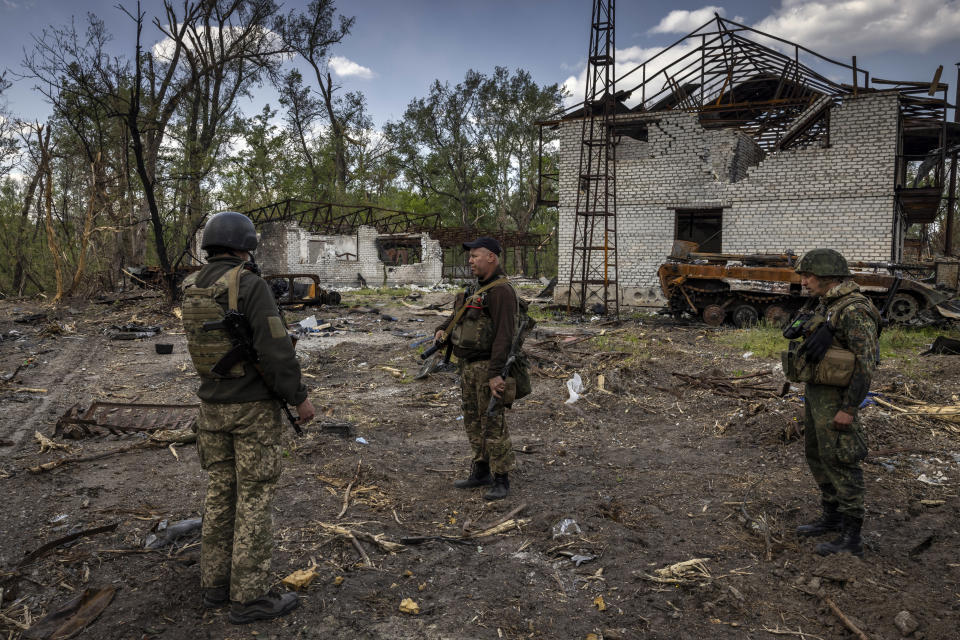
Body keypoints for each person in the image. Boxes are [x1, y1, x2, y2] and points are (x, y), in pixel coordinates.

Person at [180, 211, 315, 624]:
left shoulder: (190, 285)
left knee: (221, 493)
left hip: (211, 407)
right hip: (251, 411)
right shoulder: (248, 285)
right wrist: (299, 398)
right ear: (245, 246)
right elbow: (276, 351)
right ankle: (250, 596)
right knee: (255, 498)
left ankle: (215, 585)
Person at [789, 248, 880, 558]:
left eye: (808, 276)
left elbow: (866, 364)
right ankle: (832, 516)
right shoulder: (829, 305)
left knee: (842, 458)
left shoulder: (854, 309)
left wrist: (849, 408)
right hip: (818, 392)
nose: (803, 282)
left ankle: (851, 536)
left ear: (827, 277)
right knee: (818, 455)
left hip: (838, 398)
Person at [434, 237, 518, 501]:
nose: (470, 261)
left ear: (491, 257)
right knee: (472, 420)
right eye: (469, 256)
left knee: (492, 423)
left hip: (486, 368)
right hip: (468, 367)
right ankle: (480, 470)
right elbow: (459, 315)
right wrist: (442, 329)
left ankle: (501, 478)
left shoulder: (502, 291)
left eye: (475, 256)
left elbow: (505, 336)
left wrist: (495, 374)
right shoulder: (478, 288)